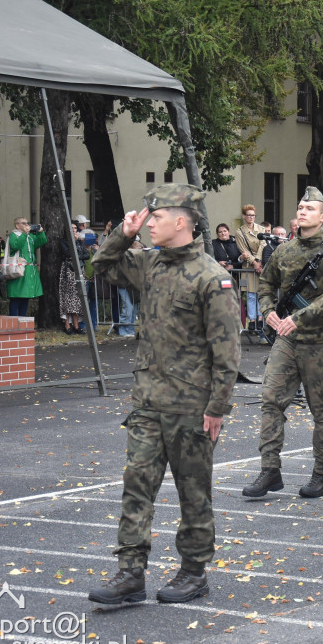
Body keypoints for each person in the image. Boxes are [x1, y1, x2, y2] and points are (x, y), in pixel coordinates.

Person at [87, 183, 240, 605]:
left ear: (181, 222)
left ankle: (193, 572)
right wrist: (124, 232)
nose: (149, 223)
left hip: (191, 406)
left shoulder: (213, 277)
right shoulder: (150, 265)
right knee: (137, 484)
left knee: (193, 491)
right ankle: (130, 572)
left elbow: (227, 353)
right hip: (147, 401)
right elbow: (100, 266)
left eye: (155, 218)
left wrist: (217, 408)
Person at [242, 187, 323, 499]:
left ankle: (321, 475)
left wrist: (302, 316)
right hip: (288, 339)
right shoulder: (285, 250)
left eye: (310, 208)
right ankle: (269, 470)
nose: (302, 211)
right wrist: (267, 311)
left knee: (322, 409)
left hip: (321, 341)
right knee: (270, 399)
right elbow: (266, 283)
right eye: (300, 206)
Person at [233, 205, 266, 337]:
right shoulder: (239, 232)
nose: (251, 217)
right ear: (244, 216)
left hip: (260, 265)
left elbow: (263, 244)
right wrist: (254, 262)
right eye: (248, 215)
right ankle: (252, 320)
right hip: (248, 266)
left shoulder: (261, 229)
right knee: (251, 294)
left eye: (253, 215)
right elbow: (243, 250)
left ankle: (260, 318)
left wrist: (258, 260)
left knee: (261, 293)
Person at [6, 216, 47, 317]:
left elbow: (41, 242)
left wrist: (40, 232)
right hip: (18, 270)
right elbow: (16, 245)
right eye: (24, 223)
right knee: (16, 297)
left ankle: (23, 320)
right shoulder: (14, 235)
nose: (27, 225)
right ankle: (14, 321)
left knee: (25, 297)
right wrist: (24, 234)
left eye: (27, 223)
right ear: (17, 225)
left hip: (28, 270)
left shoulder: (30, 236)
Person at [59, 223, 90, 334]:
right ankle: (67, 325)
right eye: (71, 228)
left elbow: (87, 255)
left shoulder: (79, 242)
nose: (74, 230)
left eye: (75, 228)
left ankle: (76, 326)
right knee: (68, 297)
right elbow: (68, 253)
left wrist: (77, 243)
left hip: (79, 270)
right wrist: (74, 243)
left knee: (77, 297)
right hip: (69, 270)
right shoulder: (63, 241)